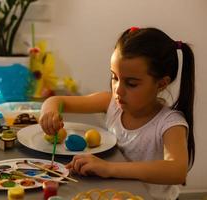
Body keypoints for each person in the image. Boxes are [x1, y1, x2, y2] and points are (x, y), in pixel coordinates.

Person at [39, 27, 195, 200]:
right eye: (115, 77)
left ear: (161, 84)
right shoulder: (111, 103)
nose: (118, 90)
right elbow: (57, 102)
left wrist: (109, 168)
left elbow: (177, 171)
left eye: (131, 83)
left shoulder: (170, 123)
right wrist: (49, 112)